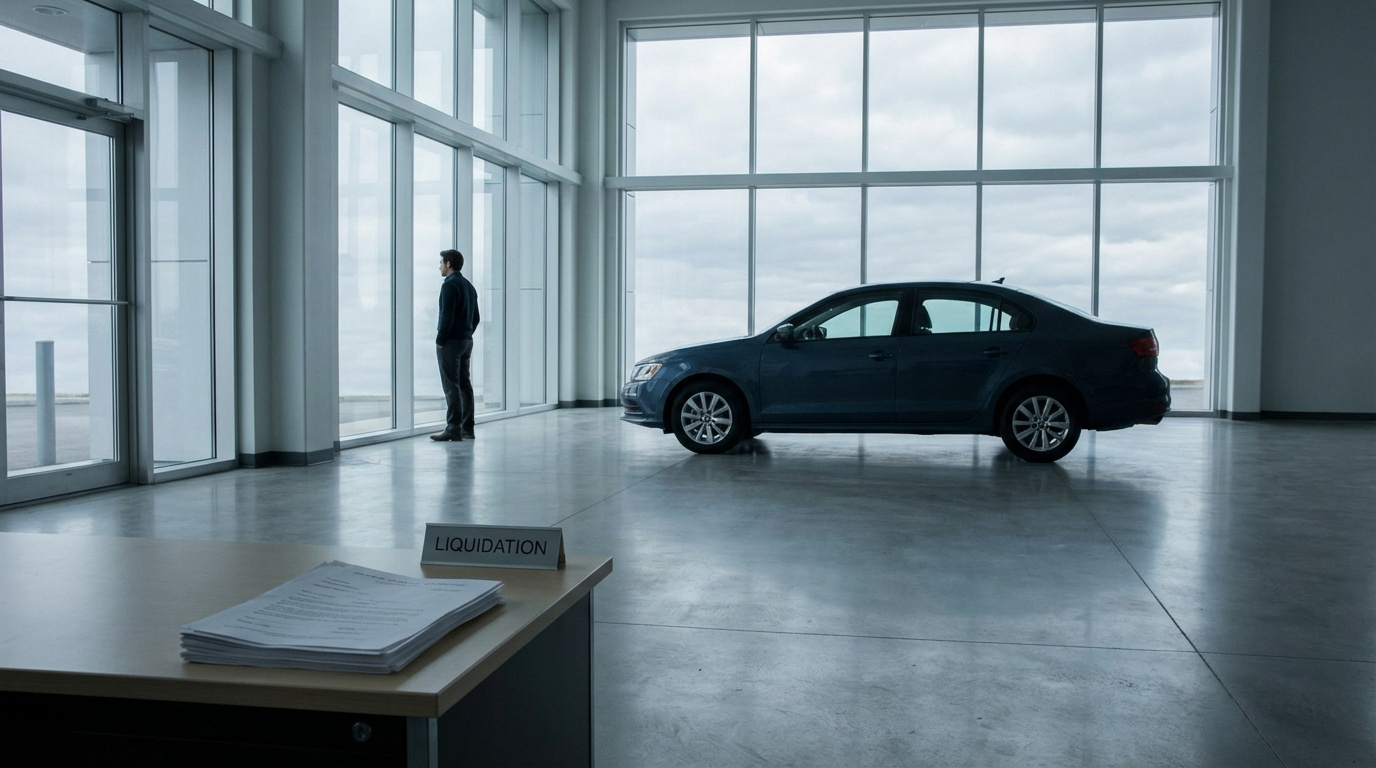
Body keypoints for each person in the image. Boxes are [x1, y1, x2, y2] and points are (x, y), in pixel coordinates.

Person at [432, 249, 479, 442]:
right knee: (464, 385)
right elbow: (476, 317)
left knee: (451, 384)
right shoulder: (469, 286)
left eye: (441, 263)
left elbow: (446, 316)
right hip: (466, 341)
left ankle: (453, 428)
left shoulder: (449, 286)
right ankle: (467, 428)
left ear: (449, 264)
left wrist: (441, 339)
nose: (440, 266)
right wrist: (467, 334)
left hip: (451, 342)